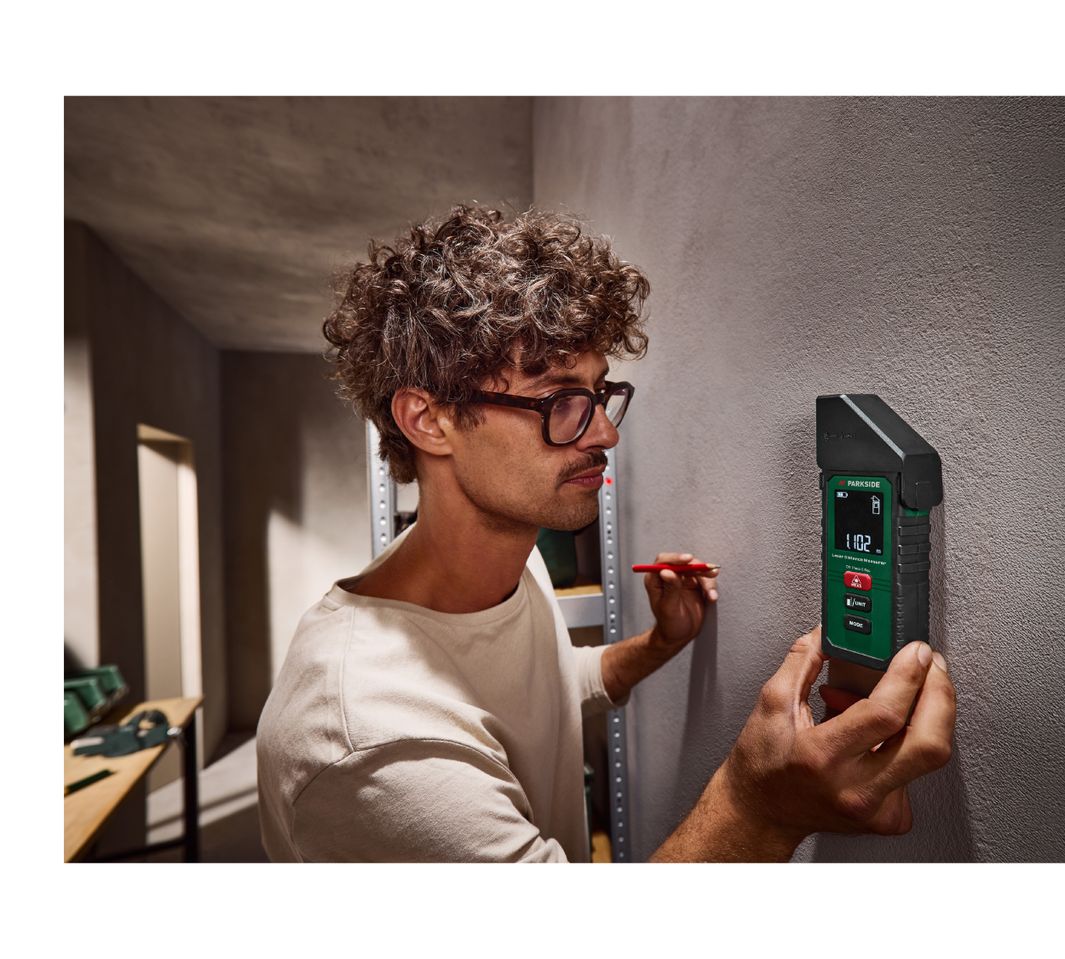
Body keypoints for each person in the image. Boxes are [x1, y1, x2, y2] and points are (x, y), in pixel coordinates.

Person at [255, 206, 956, 862]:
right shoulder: (369, 739)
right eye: (561, 399)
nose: (606, 432)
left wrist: (661, 642)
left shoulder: (507, 565)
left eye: (598, 394)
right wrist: (759, 804)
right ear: (428, 419)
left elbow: (552, 688)